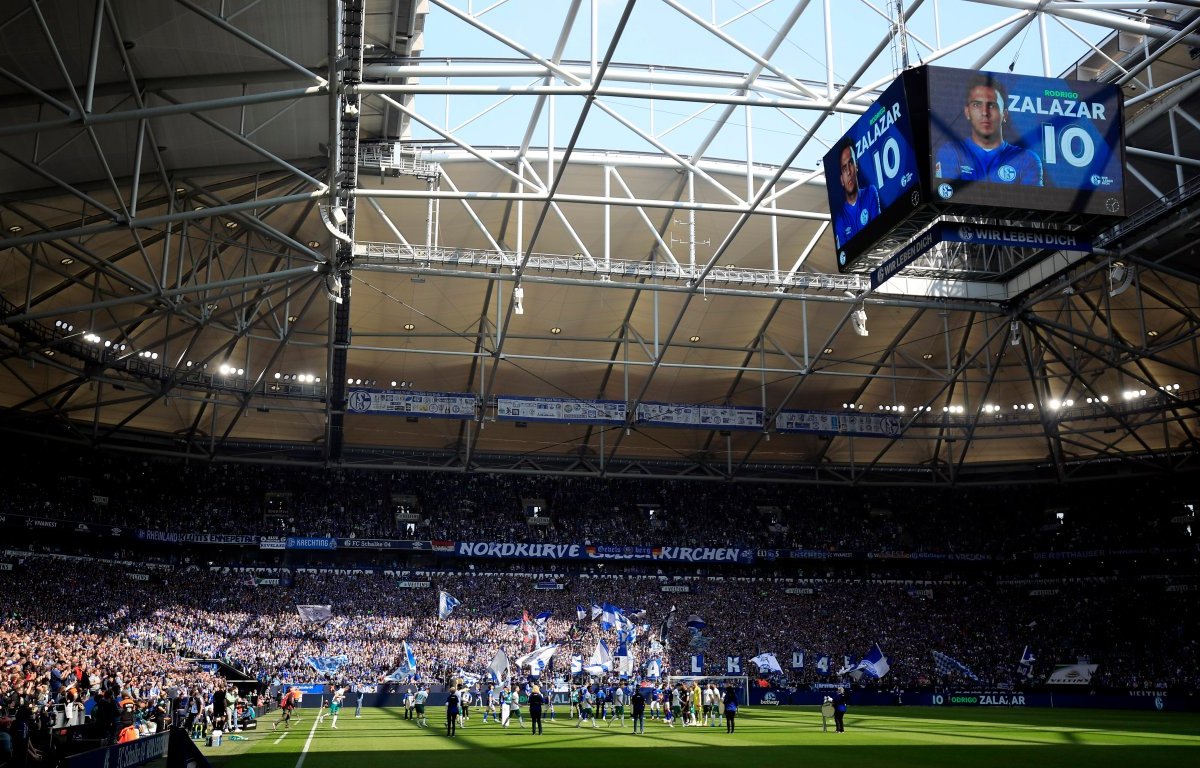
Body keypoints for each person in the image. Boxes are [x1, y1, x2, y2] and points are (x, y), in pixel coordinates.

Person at [935, 73, 1042, 186]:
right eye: (977, 105)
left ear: (1004, 115)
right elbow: (948, 195)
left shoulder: (1027, 159)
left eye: (992, 106)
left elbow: (1032, 201)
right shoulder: (952, 152)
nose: (985, 112)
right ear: (967, 112)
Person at [832, 137, 882, 249]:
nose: (849, 171)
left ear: (857, 166)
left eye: (851, 163)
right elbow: (847, 255)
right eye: (844, 168)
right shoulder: (840, 219)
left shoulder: (871, 193)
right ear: (841, 180)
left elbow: (879, 232)